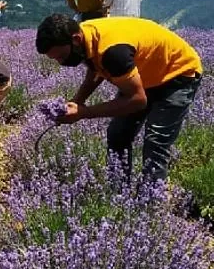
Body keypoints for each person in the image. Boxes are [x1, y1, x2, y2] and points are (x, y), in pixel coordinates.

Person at [35, 14, 203, 180]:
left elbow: (137, 100)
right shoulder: (86, 36)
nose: (60, 62)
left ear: (76, 39)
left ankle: (152, 202)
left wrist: (83, 112)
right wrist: (76, 102)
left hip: (178, 73)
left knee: (155, 142)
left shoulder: (113, 53)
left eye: (61, 56)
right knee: (118, 134)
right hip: (145, 72)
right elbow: (96, 69)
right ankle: (118, 190)